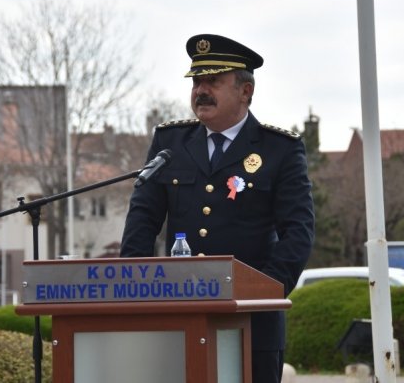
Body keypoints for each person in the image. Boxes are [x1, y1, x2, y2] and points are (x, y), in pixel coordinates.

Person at [120, 34, 315, 383]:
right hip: (179, 315)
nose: (201, 90)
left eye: (213, 81)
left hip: (252, 322)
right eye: (197, 81)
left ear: (246, 91)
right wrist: (133, 288)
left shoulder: (279, 149)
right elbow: (142, 218)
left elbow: (298, 232)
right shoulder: (170, 143)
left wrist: (262, 293)